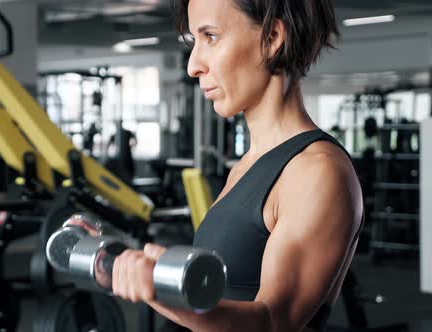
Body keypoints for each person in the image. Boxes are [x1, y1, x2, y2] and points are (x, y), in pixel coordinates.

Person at [110, 0, 363, 331]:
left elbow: (272, 322)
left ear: (272, 38)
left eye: (210, 37)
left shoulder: (316, 172)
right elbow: (228, 289)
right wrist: (138, 266)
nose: (193, 66)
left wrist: (159, 291)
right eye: (194, 41)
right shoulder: (246, 166)